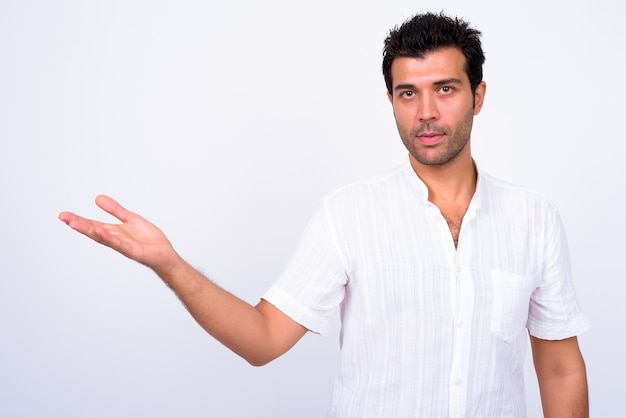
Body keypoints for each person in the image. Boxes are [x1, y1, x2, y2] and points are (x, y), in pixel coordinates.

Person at [58, 11, 589, 417]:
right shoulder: (348, 215)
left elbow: (561, 367)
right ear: (392, 101)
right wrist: (171, 264)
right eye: (409, 93)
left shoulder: (533, 218)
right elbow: (263, 339)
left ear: (478, 96)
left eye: (444, 90)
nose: (426, 112)